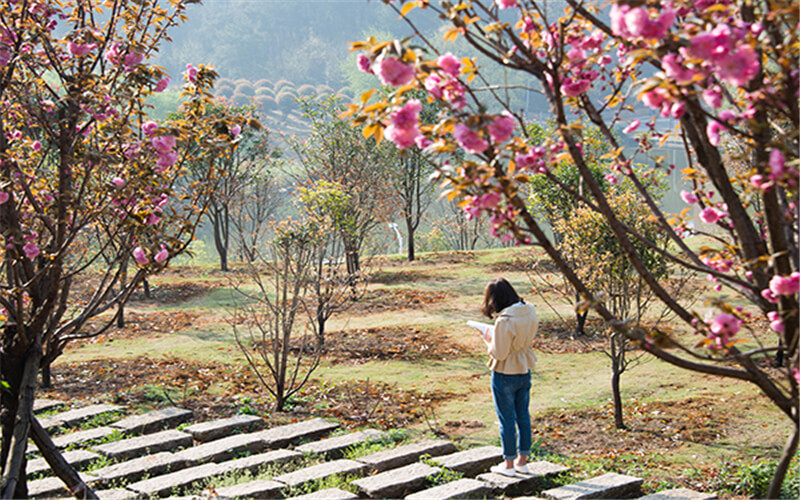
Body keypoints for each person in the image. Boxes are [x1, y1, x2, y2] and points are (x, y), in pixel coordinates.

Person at [477, 277, 538, 477]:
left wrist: (488, 341)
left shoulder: (504, 320)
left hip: (504, 373)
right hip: (524, 370)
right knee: (523, 416)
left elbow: (499, 353)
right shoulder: (530, 310)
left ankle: (509, 464)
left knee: (506, 420)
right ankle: (523, 462)